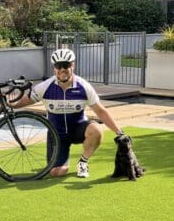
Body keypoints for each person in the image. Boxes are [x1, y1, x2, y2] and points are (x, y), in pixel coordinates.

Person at [7, 48, 124, 178]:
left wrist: (119, 132)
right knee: (57, 172)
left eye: (66, 65)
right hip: (56, 135)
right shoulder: (45, 87)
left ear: (72, 66)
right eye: (58, 66)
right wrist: (8, 103)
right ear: (54, 68)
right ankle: (58, 162)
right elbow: (26, 100)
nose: (62, 69)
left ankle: (83, 162)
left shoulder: (83, 86)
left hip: (77, 129)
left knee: (96, 129)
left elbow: (101, 111)